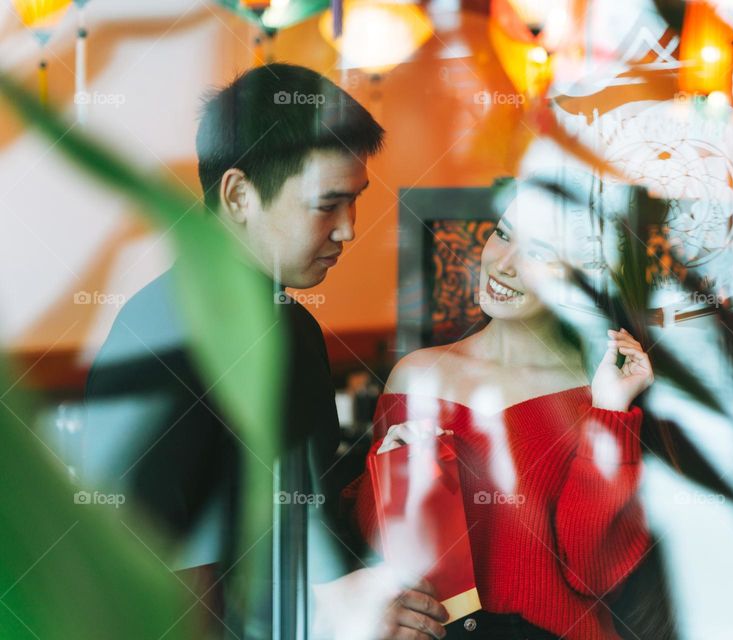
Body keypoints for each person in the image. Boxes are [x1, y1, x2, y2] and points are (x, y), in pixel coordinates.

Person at [83, 63, 446, 638]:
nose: (349, 229)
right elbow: (148, 579)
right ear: (238, 195)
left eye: (355, 202)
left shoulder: (291, 323)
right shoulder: (168, 335)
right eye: (327, 204)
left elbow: (295, 513)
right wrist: (326, 615)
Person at [346, 177, 655, 639]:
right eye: (504, 233)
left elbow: (595, 572)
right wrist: (394, 472)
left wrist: (609, 412)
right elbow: (386, 563)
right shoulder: (418, 377)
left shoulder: (604, 393)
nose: (504, 264)